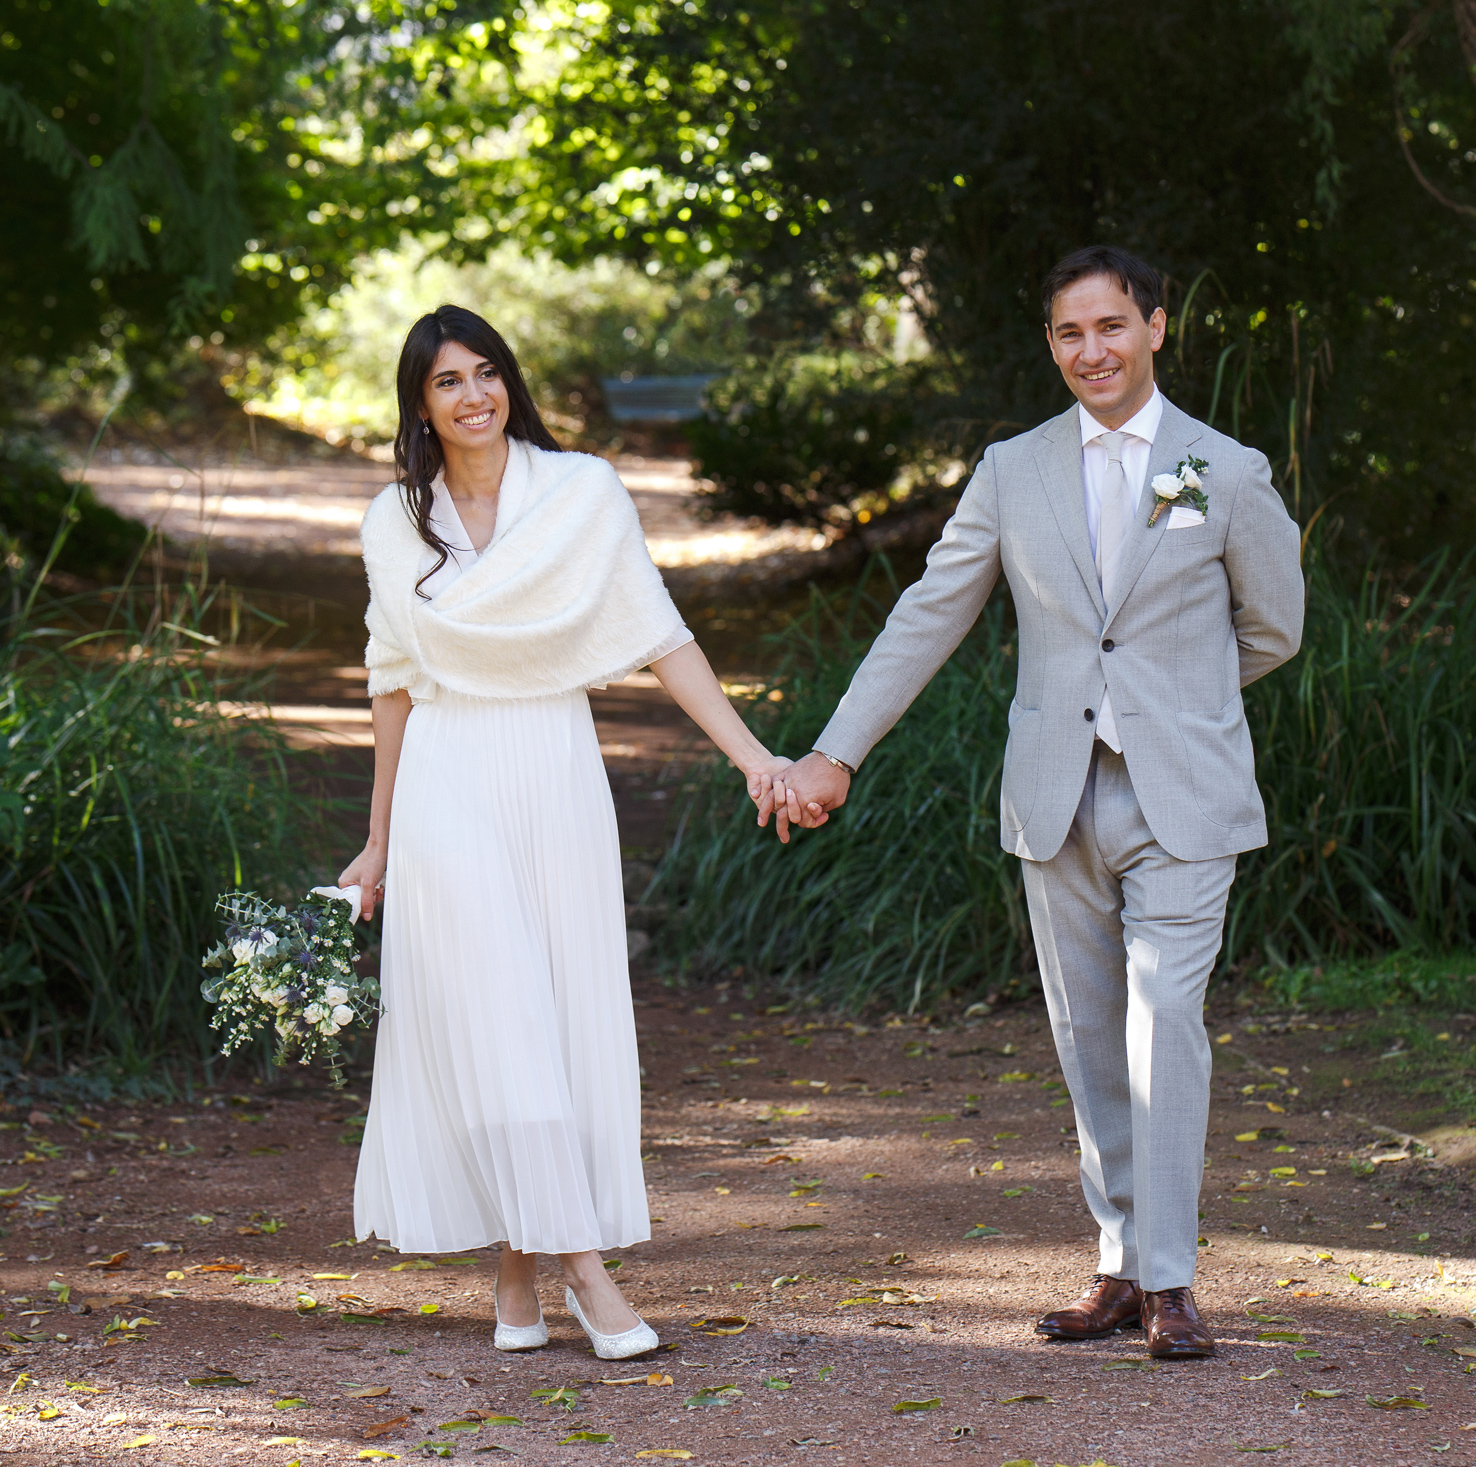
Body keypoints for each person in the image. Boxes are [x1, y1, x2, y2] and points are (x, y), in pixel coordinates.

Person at [768, 246, 1304, 1359]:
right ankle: (1117, 1266)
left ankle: (1169, 1283)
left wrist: (1174, 701)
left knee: (1165, 1028)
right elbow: (931, 612)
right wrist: (837, 752)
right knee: (1087, 1038)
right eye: (1068, 334)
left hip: (1182, 799)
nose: (1090, 351)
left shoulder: (1225, 469)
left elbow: (1273, 628)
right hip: (1054, 795)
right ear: (1051, 345)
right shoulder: (1013, 470)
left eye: (1110, 327)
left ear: (1155, 328)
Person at [336, 305, 791, 1361]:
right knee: (495, 1015)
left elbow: (657, 632)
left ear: (511, 384)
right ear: (420, 403)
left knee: (556, 1018)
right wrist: (380, 839)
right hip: (448, 778)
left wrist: (752, 756)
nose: (472, 395)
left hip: (555, 768)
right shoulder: (391, 522)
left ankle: (513, 1269)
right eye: (447, 381)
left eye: (487, 373)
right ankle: (586, 1272)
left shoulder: (581, 493)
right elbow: (392, 683)